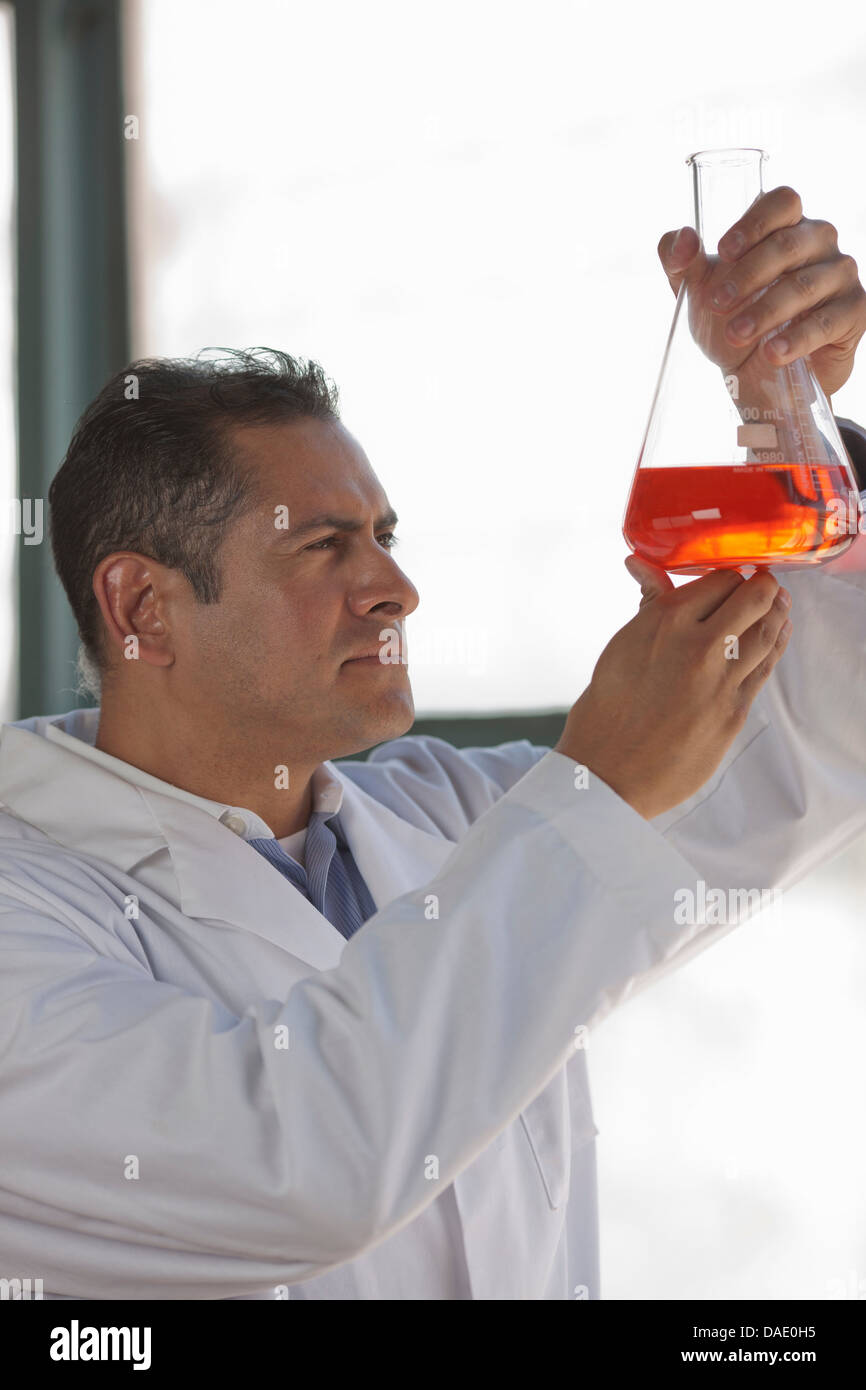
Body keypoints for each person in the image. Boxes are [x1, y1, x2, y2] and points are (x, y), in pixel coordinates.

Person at [1, 187, 865, 1301]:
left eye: (384, 536)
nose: (395, 587)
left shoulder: (444, 821)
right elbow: (298, 1165)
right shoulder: (29, 911)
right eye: (323, 545)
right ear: (141, 608)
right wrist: (594, 790)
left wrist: (782, 403)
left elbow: (819, 727)